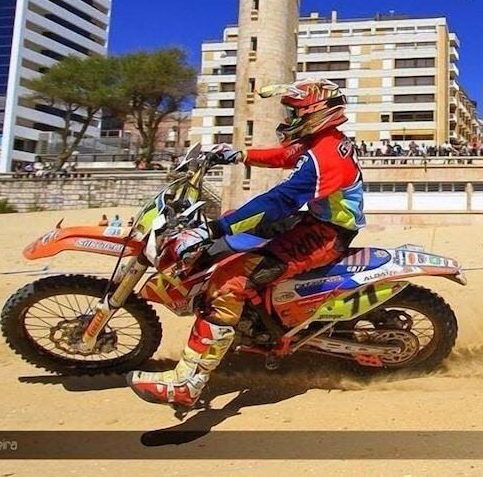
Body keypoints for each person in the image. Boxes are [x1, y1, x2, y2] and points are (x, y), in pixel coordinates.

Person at [128, 78, 364, 408]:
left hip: (325, 234)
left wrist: (216, 226)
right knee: (233, 244)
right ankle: (250, 323)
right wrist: (240, 155)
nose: (289, 117)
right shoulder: (320, 140)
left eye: (293, 111)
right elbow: (285, 156)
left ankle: (188, 383)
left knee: (230, 281)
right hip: (315, 222)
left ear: (315, 112)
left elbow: (279, 200)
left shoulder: (325, 154)